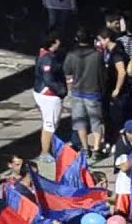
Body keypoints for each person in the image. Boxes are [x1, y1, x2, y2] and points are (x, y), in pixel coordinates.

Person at [63, 28, 106, 158]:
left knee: (80, 122)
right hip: (94, 92)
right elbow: (102, 74)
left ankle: (86, 148)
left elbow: (67, 73)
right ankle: (97, 149)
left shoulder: (71, 55)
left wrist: (70, 88)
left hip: (77, 92)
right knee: (96, 122)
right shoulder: (97, 55)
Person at [32, 33, 67, 162]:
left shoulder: (43, 54)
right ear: (54, 42)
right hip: (49, 96)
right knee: (49, 125)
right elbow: (48, 79)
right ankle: (45, 153)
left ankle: (50, 149)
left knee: (50, 123)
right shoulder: (48, 59)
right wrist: (61, 90)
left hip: (42, 92)